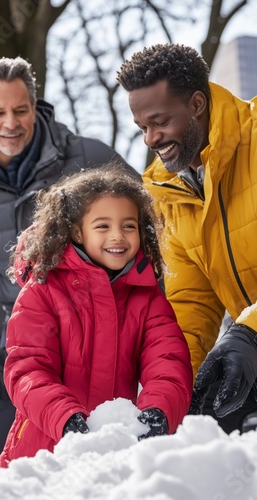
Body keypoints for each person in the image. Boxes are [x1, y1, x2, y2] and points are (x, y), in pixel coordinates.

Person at [0, 56, 139, 470]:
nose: (10, 123)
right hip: (20, 352)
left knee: (101, 466)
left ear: (36, 107)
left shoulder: (89, 158)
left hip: (101, 343)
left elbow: (152, 241)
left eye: (20, 109)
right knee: (0, 469)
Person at [0, 165, 193, 468]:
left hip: (116, 449)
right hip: (44, 450)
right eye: (102, 226)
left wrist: (159, 411)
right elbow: (27, 369)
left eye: (129, 226)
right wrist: (65, 418)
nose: (118, 236)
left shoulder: (147, 296)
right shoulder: (43, 292)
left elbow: (167, 361)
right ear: (77, 231)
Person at [117, 43, 257, 434]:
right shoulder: (169, 193)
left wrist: (250, 333)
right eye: (142, 127)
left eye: (159, 121)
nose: (150, 139)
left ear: (196, 103)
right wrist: (173, 391)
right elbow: (190, 306)